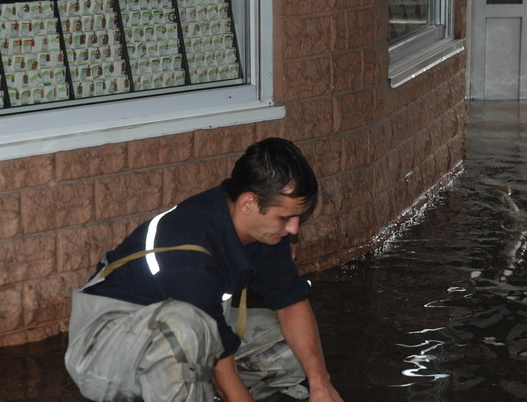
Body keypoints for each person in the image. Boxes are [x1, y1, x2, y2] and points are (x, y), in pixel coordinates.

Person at [65, 137, 344, 402]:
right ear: (249, 203)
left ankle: (186, 390)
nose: (294, 228)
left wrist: (321, 384)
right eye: (286, 218)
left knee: (295, 351)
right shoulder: (190, 251)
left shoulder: (264, 231)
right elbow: (223, 369)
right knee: (185, 328)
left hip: (181, 332)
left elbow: (290, 302)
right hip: (101, 352)